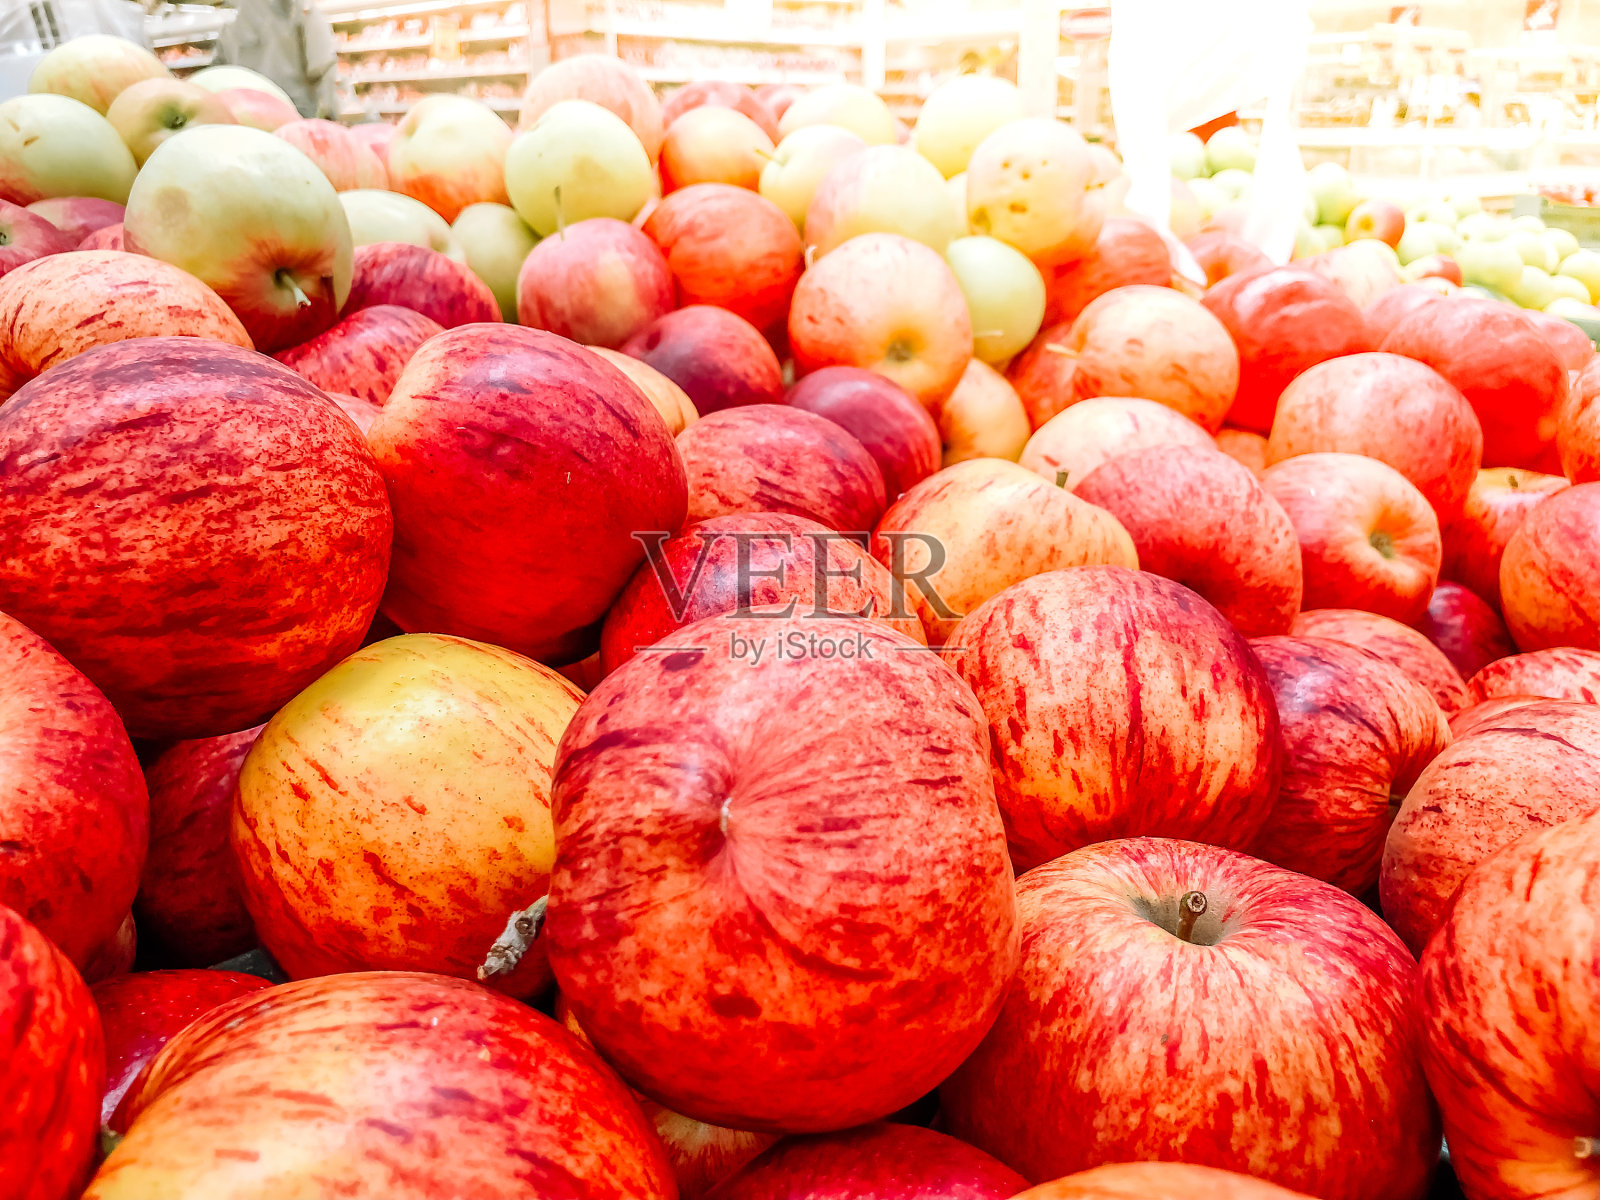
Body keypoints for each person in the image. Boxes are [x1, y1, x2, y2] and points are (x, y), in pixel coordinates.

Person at [213, 0, 338, 118]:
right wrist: (332, 111)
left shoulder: (231, 10)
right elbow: (321, 63)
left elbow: (219, 67)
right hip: (294, 107)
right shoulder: (298, 6)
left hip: (246, 110)